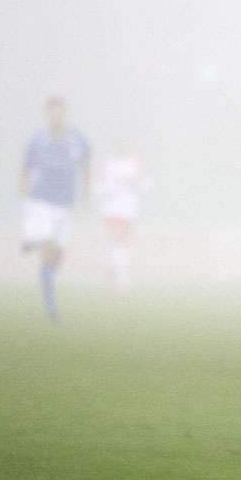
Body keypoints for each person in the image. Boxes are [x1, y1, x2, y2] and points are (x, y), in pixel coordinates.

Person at [20, 96, 90, 325]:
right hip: (43, 202)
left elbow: (85, 166)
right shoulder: (37, 140)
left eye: (60, 112)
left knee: (56, 258)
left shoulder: (77, 139)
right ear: (46, 114)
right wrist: (23, 188)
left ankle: (34, 240)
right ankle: (52, 309)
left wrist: (86, 195)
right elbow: (26, 167)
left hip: (66, 205)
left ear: (65, 113)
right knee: (48, 248)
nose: (56, 116)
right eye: (52, 112)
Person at [95, 142, 152, 292]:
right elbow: (99, 186)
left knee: (121, 241)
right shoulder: (108, 163)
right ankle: (120, 277)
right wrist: (107, 192)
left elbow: (145, 185)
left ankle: (118, 274)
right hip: (112, 208)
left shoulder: (134, 163)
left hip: (128, 208)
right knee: (116, 240)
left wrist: (136, 186)